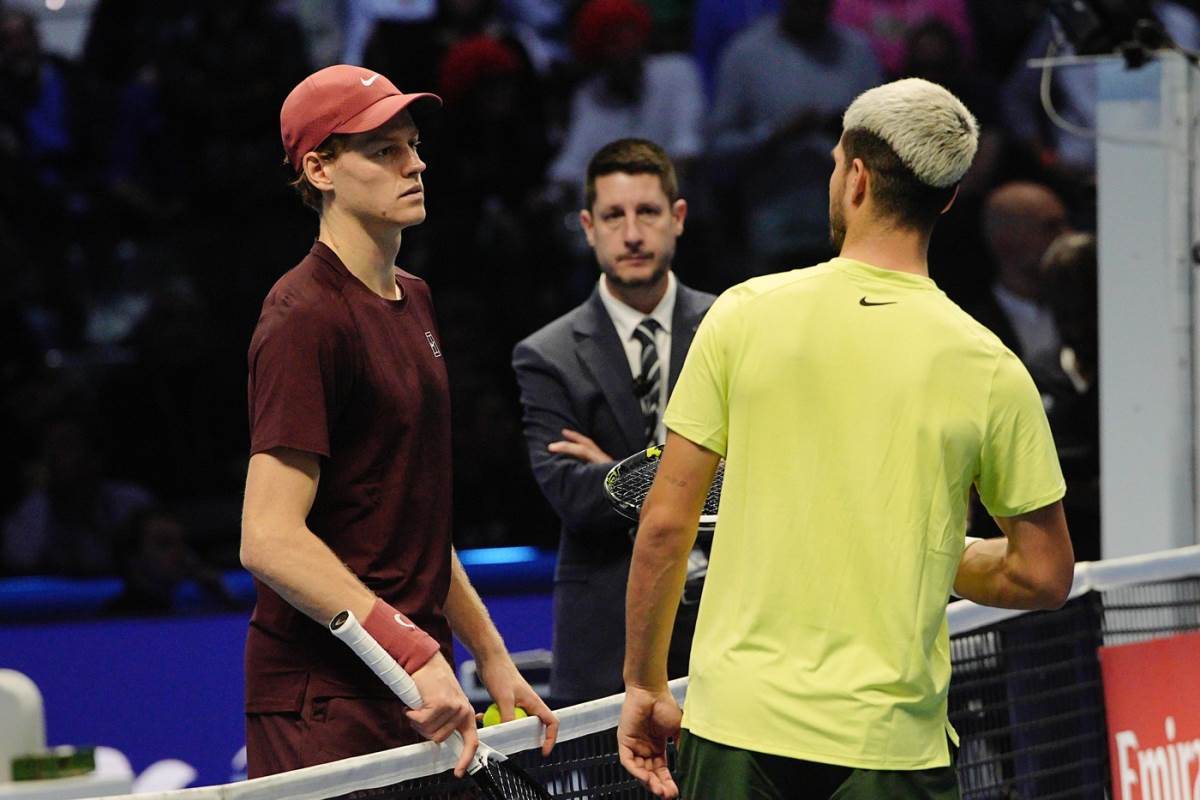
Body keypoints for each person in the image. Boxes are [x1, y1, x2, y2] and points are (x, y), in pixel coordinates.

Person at [617, 78, 1075, 799]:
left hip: (738, 727)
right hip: (890, 746)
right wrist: (933, 554)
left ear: (855, 178)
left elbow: (667, 525)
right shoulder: (991, 366)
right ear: (947, 199)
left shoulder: (743, 315)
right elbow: (1044, 574)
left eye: (835, 164)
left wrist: (644, 684)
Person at [239, 64, 556, 779]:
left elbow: (412, 521)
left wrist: (490, 654)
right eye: (383, 150)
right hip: (325, 700)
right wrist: (411, 649)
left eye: (412, 144)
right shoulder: (301, 318)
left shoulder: (414, 298)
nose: (414, 164)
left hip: (416, 687)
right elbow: (268, 538)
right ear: (320, 169)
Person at [512, 138, 716, 706]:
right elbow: (572, 496)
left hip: (727, 625)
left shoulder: (730, 326)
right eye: (613, 216)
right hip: (607, 637)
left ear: (677, 217)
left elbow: (762, 473)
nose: (631, 234)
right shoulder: (547, 355)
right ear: (588, 226)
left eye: (647, 212)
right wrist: (702, 470)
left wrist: (614, 470)